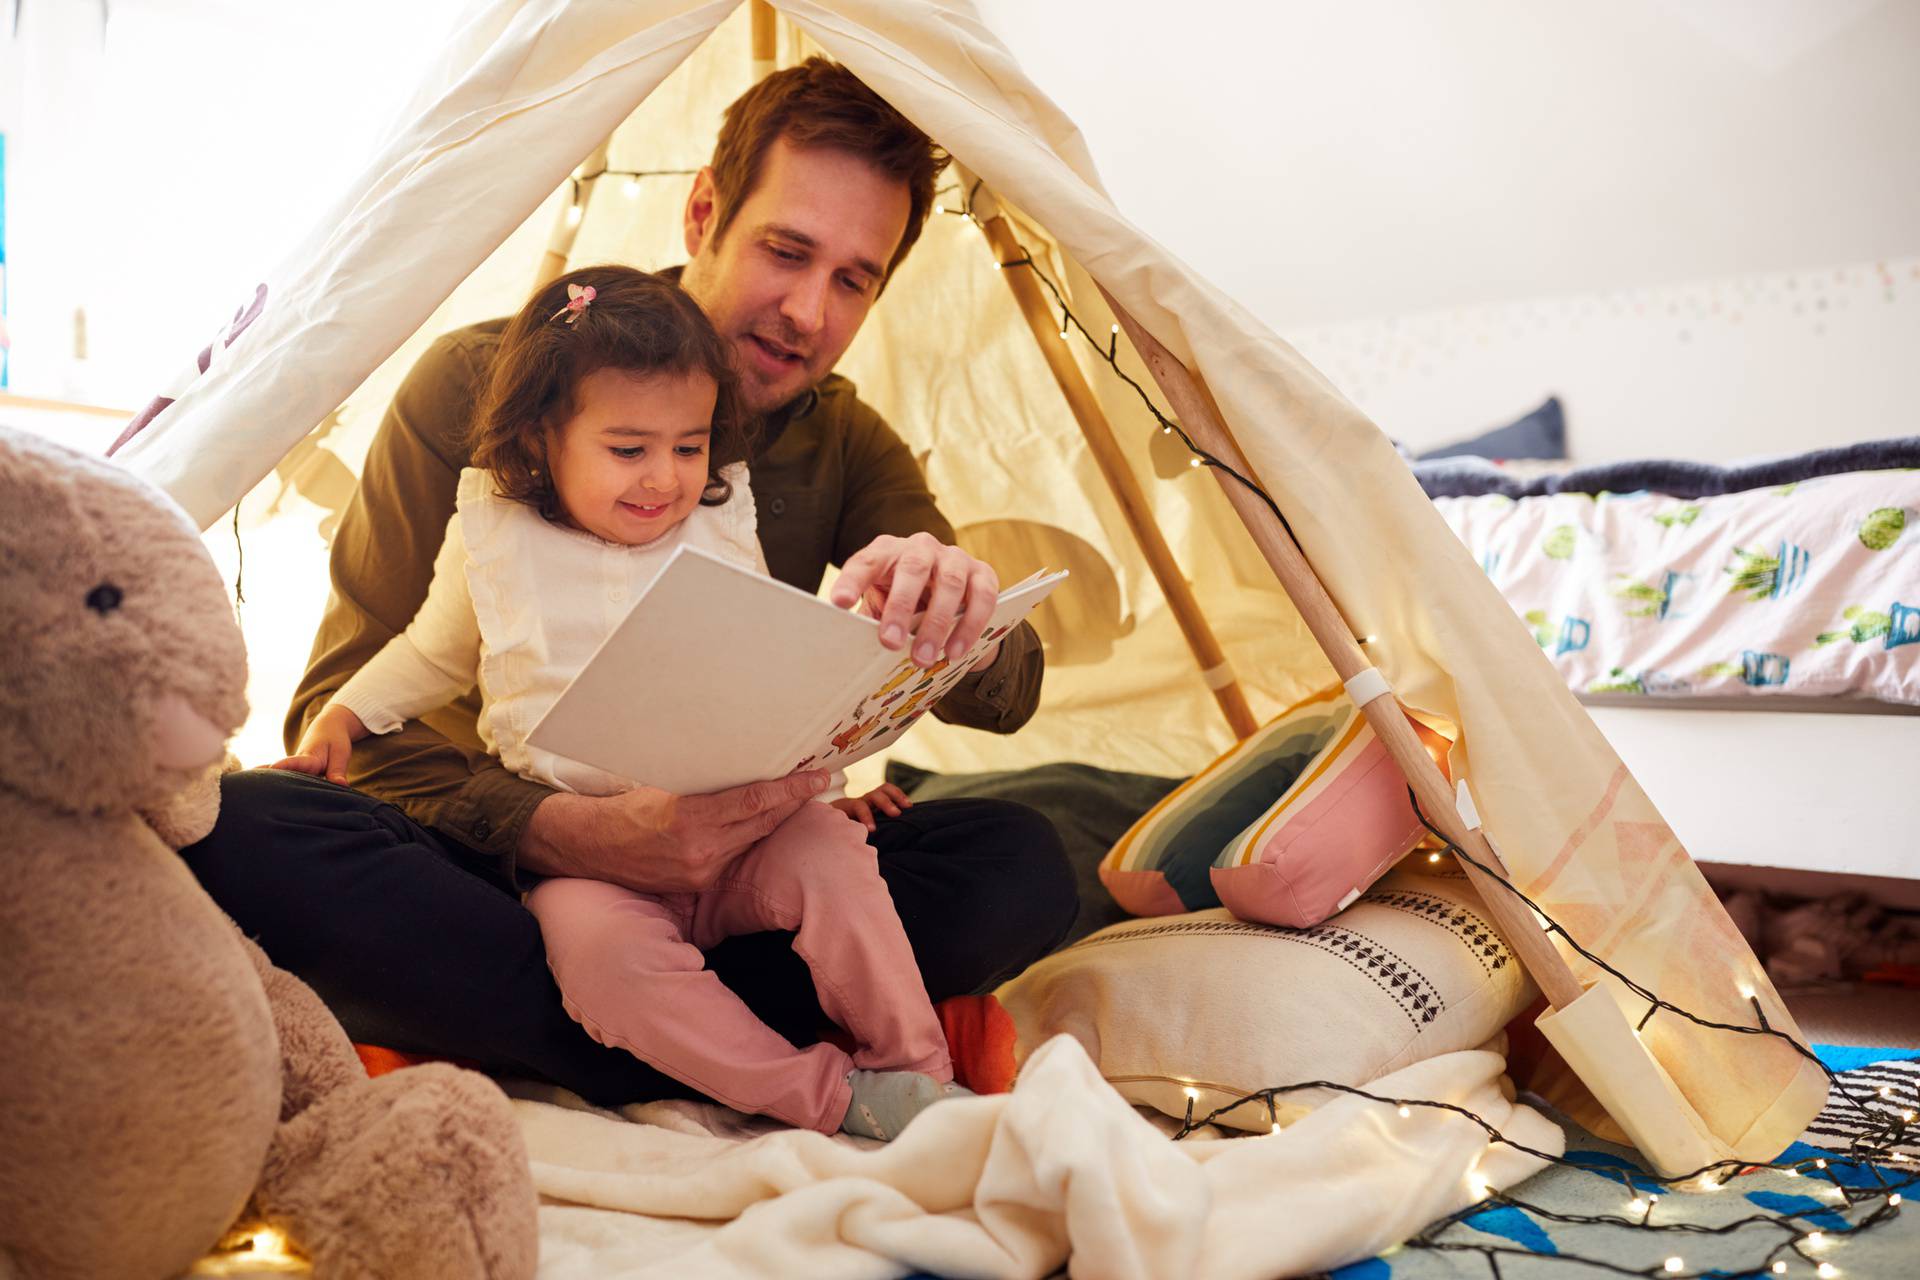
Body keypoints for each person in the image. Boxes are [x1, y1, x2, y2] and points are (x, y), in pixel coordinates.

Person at [183, 57, 1078, 1108]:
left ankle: (623, 1030)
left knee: (1022, 858)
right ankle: (725, 1032)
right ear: (705, 212)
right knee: (248, 824)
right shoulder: (479, 390)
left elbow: (1003, 692)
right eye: (785, 251)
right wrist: (571, 833)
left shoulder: (842, 440)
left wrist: (958, 602)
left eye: (853, 279)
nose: (806, 310)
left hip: (748, 863)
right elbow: (346, 723)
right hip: (509, 877)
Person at [276, 267, 965, 1139]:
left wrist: (828, 788)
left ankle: (920, 1072)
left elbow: (760, 673)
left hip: (743, 829)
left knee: (841, 862)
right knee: (602, 972)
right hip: (587, 864)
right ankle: (827, 1094)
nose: (665, 480)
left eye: (689, 446)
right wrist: (344, 714)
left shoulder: (716, 516)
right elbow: (427, 653)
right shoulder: (494, 531)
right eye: (628, 449)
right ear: (541, 442)